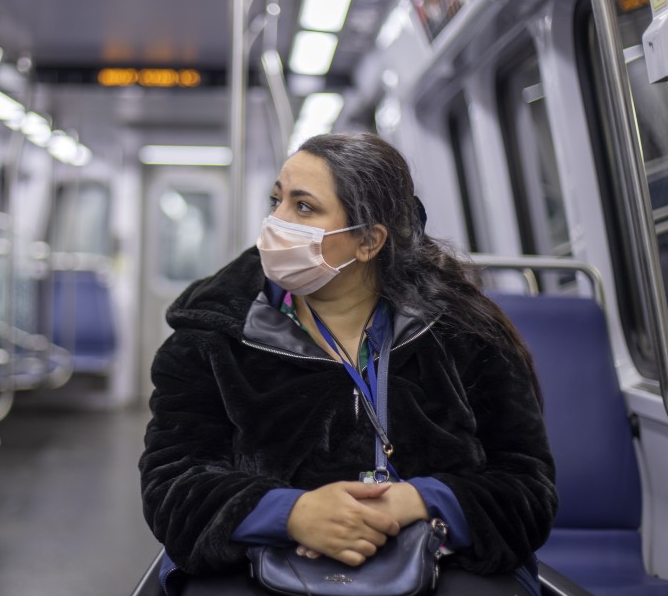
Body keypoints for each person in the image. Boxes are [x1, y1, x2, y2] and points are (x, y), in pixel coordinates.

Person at [139, 132, 557, 595]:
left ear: (368, 241)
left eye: (303, 207)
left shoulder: (464, 336)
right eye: (276, 201)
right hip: (260, 557)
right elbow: (172, 487)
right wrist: (291, 514)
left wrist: (417, 501)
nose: (275, 224)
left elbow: (526, 490)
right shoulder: (208, 338)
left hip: (436, 556)